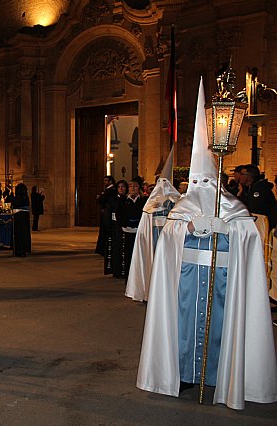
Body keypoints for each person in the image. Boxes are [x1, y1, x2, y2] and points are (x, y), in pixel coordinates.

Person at [137, 79, 277, 409]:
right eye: (195, 181)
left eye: (205, 180)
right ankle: (184, 373)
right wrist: (188, 226)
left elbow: (249, 235)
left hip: (225, 278)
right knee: (184, 327)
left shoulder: (232, 206)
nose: (199, 187)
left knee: (222, 327)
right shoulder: (183, 207)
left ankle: (221, 375)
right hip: (185, 279)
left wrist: (225, 227)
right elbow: (169, 239)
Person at [125, 147, 180, 302]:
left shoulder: (177, 200)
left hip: (168, 235)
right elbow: (146, 217)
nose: (161, 185)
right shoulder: (152, 200)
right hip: (153, 235)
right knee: (152, 261)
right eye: (159, 182)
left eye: (164, 182)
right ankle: (150, 291)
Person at [118, 179, 147, 280]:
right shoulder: (123, 200)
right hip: (127, 229)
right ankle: (128, 275)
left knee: (138, 253)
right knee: (127, 253)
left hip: (139, 230)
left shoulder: (144, 200)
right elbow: (120, 213)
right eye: (130, 187)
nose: (132, 188)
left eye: (135, 186)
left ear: (139, 188)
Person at [237, 163, 277, 230]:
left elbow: (253, 208)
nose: (239, 176)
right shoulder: (249, 188)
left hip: (263, 226)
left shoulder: (259, 189)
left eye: (242, 174)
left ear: (249, 176)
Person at [105, 180, 128, 276]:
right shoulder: (113, 200)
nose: (121, 189)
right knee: (116, 249)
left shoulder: (128, 199)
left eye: (123, 187)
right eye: (119, 187)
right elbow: (109, 213)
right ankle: (116, 270)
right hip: (115, 227)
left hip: (126, 227)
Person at [95, 176, 116, 256]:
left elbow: (103, 200)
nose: (104, 182)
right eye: (104, 180)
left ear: (110, 181)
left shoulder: (111, 190)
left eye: (106, 180)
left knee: (106, 231)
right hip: (105, 213)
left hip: (108, 214)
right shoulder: (107, 190)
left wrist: (100, 197)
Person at [12, 182, 31, 257]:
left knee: (19, 234)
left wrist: (11, 196)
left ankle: (20, 250)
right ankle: (25, 249)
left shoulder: (18, 197)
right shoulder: (25, 196)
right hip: (25, 216)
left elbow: (14, 203)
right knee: (25, 233)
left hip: (19, 216)